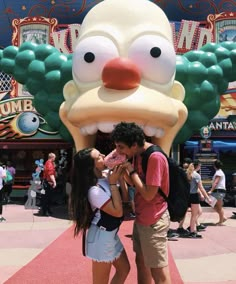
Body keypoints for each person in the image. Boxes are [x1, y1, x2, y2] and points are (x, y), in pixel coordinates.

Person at [111, 122, 171, 284]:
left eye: (121, 147)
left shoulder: (155, 157)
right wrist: (123, 171)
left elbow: (149, 194)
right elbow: (133, 183)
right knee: (142, 262)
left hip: (154, 219)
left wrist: (130, 170)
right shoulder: (136, 155)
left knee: (158, 272)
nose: (118, 151)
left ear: (134, 144)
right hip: (142, 217)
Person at [69, 148, 130, 284]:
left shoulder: (106, 175)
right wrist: (113, 182)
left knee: (124, 269)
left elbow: (125, 201)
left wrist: (120, 177)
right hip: (101, 238)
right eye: (98, 157)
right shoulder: (94, 190)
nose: (103, 155)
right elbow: (117, 211)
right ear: (92, 165)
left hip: (111, 234)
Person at [186, 160, 211, 238]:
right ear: (197, 166)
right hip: (194, 196)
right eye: (200, 166)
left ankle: (193, 229)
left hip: (187, 196)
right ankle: (192, 232)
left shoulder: (187, 174)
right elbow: (201, 188)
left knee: (193, 214)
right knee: (194, 215)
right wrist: (208, 198)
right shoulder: (196, 175)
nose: (200, 167)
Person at [208, 159, 227, 225]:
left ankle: (221, 221)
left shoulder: (219, 172)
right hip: (218, 191)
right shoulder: (219, 171)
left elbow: (216, 182)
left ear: (214, 165)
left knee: (218, 206)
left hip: (219, 191)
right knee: (211, 203)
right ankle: (223, 217)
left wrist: (211, 190)